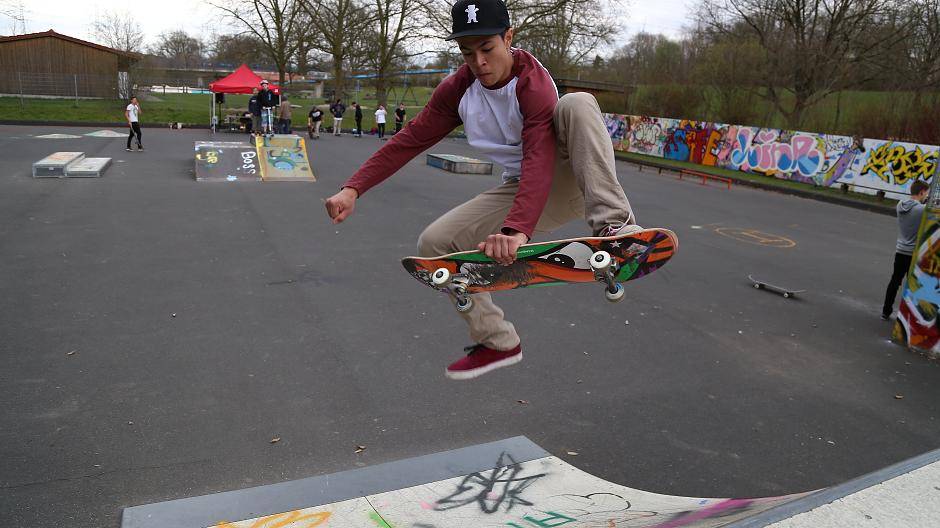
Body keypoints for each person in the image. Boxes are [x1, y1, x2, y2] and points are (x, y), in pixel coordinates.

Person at [325, 0, 639, 380]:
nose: (479, 63)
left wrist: (516, 229)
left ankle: (616, 228)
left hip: (572, 175)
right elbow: (410, 139)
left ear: (509, 38)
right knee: (435, 245)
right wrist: (354, 188)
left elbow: (540, 156)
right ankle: (497, 340)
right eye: (467, 53)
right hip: (523, 186)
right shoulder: (457, 90)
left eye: (488, 49)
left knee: (577, 104)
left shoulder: (532, 83)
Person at [882, 180, 930, 320]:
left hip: (900, 250)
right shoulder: (921, 210)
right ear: (921, 192)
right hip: (913, 254)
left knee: (895, 281)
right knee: (913, 285)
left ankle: (886, 311)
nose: (926, 196)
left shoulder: (900, 206)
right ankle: (908, 315)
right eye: (925, 194)